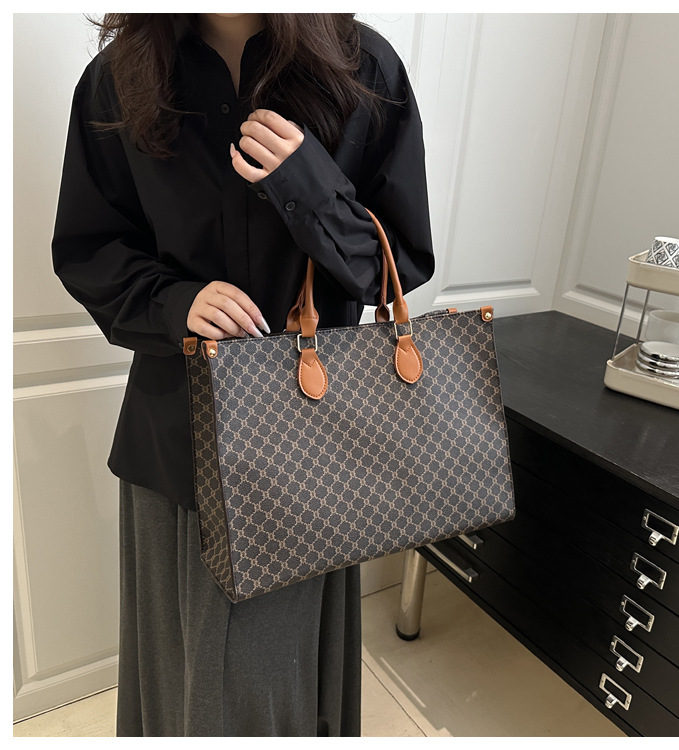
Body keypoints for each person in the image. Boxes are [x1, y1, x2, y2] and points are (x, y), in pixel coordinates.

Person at [51, 12, 434, 738]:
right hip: (177, 437)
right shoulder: (119, 77)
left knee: (272, 683)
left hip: (310, 446)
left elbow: (398, 266)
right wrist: (174, 303)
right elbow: (88, 248)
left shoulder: (362, 67)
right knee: (178, 673)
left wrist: (309, 186)